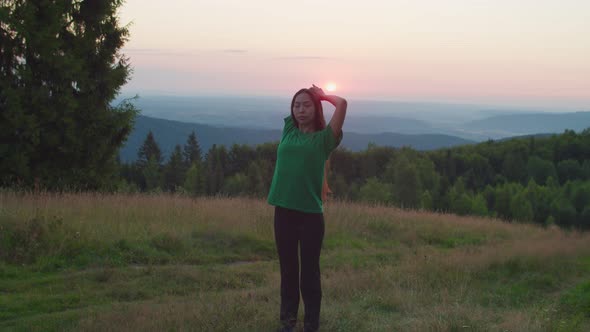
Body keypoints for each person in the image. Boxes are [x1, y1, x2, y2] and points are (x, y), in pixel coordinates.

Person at [267, 84, 347, 332]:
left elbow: (342, 103)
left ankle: (311, 325)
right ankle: (287, 322)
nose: (300, 110)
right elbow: (294, 115)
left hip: (310, 216)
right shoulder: (289, 129)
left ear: (317, 108)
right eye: (296, 105)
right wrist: (308, 96)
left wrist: (322, 95)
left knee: (309, 274)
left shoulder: (325, 139)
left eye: (307, 104)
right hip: (283, 211)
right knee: (288, 271)